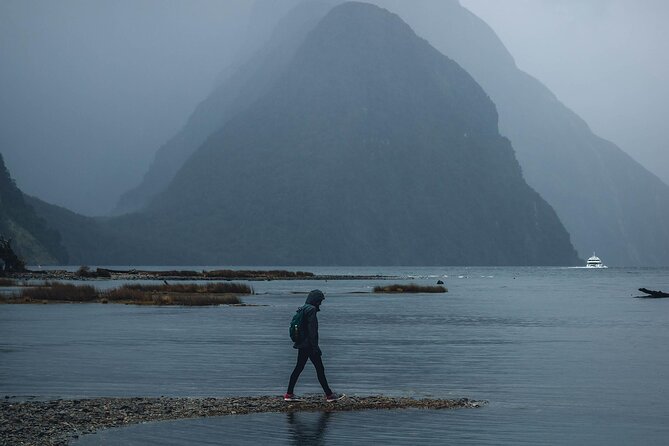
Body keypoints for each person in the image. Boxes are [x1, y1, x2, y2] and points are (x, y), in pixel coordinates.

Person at [285, 289, 343, 402]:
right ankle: (329, 395)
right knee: (319, 369)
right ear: (315, 300)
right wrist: (316, 348)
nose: (321, 303)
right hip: (309, 346)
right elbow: (313, 332)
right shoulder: (311, 310)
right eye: (320, 300)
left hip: (302, 344)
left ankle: (289, 394)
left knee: (299, 368)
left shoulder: (303, 308)